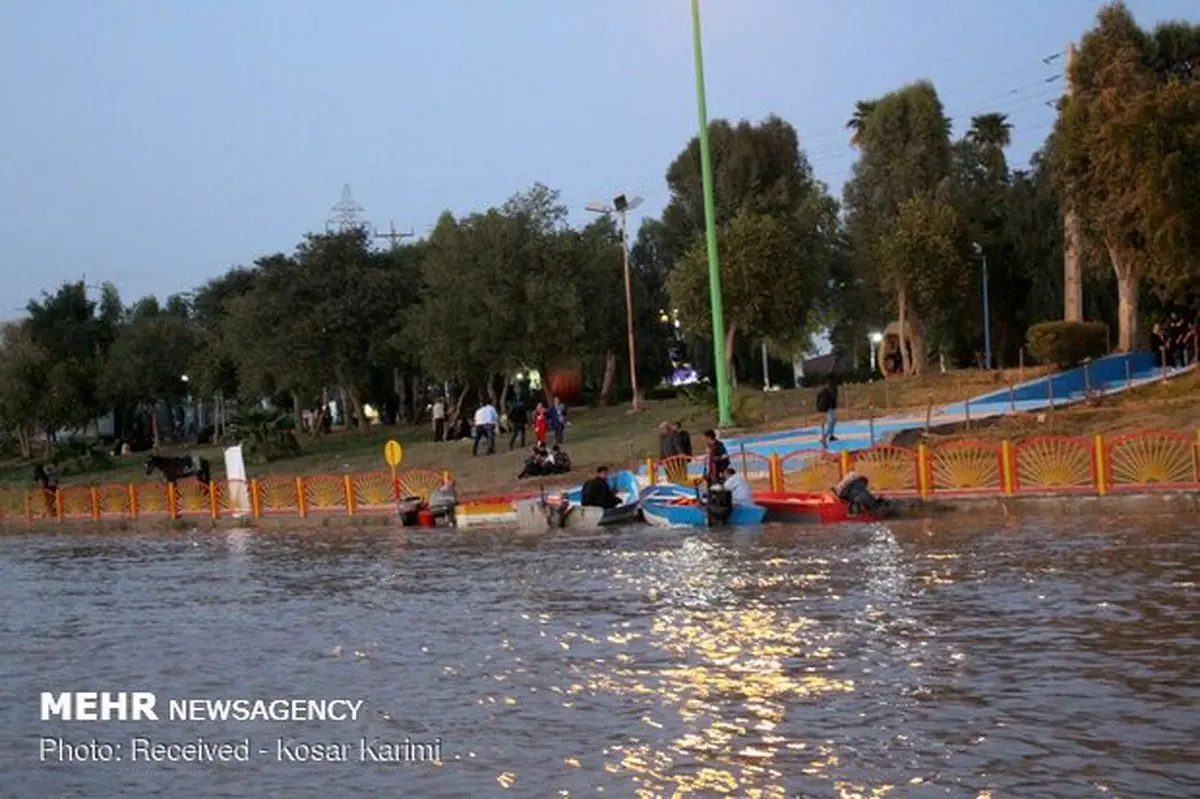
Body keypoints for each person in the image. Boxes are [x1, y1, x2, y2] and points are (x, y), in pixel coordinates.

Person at [816, 376, 839, 447]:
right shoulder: (827, 389)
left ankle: (831, 435)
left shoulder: (828, 389)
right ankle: (824, 436)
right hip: (829, 407)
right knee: (831, 421)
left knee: (833, 421)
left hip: (830, 407)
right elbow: (830, 398)